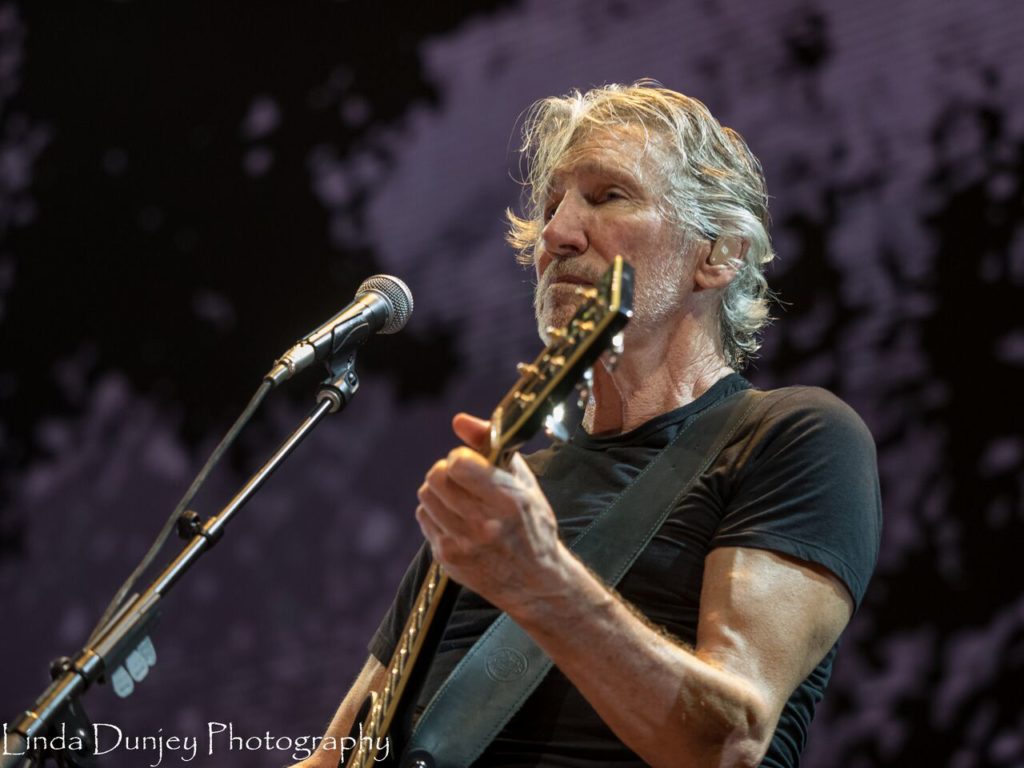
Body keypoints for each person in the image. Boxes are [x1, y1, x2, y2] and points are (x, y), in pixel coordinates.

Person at [299, 82, 882, 768]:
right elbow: (332, 758)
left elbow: (729, 745)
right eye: (551, 207)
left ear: (718, 253)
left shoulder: (792, 437)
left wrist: (540, 579)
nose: (556, 235)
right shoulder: (499, 498)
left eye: (608, 197)